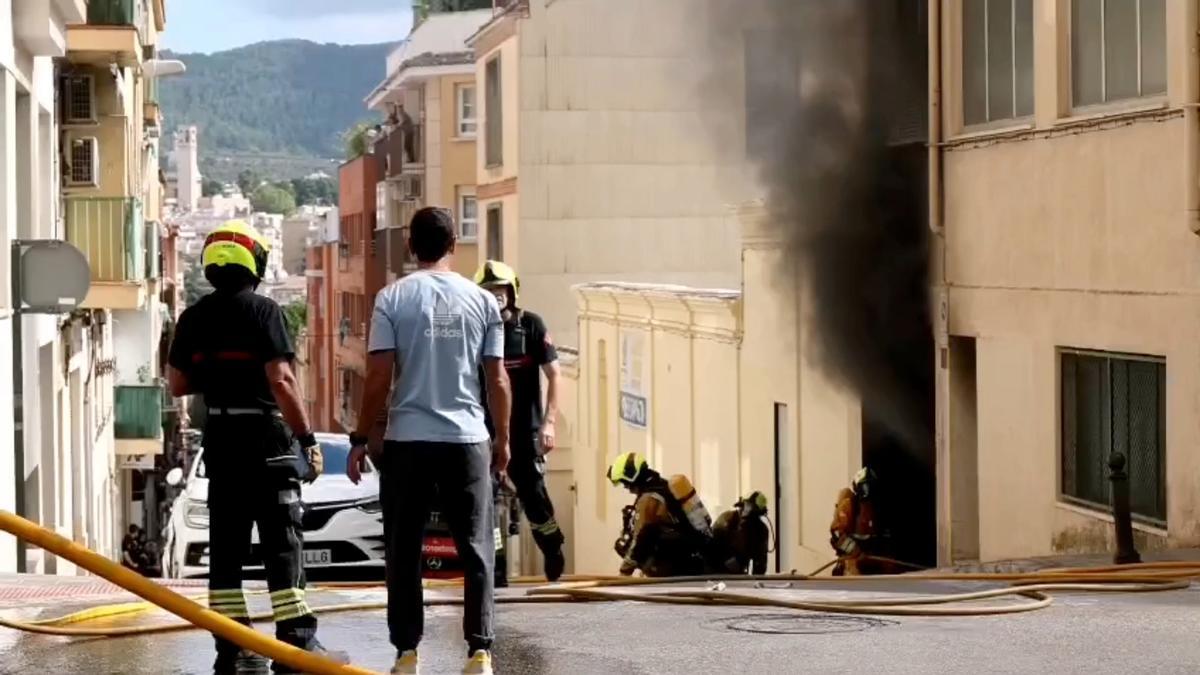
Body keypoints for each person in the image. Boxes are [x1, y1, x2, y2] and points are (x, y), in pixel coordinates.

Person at [167, 219, 347, 674]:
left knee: (225, 549)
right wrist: (307, 439)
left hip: (223, 443)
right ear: (256, 262)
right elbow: (281, 380)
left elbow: (177, 382)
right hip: (268, 442)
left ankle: (234, 647)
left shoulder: (193, 317)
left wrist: (218, 370)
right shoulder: (265, 312)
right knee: (281, 545)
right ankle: (296, 648)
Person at [345, 206, 511, 675]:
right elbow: (497, 380)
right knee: (476, 545)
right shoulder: (484, 302)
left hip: (408, 441)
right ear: (454, 245)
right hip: (468, 439)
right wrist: (502, 440)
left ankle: (407, 652)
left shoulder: (391, 299)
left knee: (403, 547)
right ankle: (479, 651)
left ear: (410, 247)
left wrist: (360, 436)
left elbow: (378, 376)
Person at [473, 260, 566, 582]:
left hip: (524, 432)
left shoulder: (531, 326)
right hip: (483, 432)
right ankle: (494, 569)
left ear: (512, 292)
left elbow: (554, 374)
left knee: (534, 498)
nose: (496, 297)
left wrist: (549, 423)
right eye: (488, 291)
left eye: (500, 290)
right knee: (484, 501)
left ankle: (552, 546)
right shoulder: (475, 330)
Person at [607, 452, 735, 577]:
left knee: (624, 545)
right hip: (693, 554)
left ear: (632, 477)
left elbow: (642, 539)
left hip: (677, 563)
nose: (626, 488)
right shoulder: (662, 487)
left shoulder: (649, 499)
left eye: (625, 482)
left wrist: (624, 572)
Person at [829, 467, 894, 576]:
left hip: (873, 559)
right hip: (852, 559)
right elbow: (836, 534)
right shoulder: (849, 505)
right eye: (864, 487)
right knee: (854, 580)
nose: (867, 491)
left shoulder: (879, 508)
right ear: (857, 487)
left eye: (871, 486)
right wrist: (854, 550)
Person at [713, 491, 772, 575]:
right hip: (716, 571)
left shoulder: (761, 530)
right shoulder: (727, 519)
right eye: (747, 506)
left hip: (738, 574)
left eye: (751, 508)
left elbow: (760, 566)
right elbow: (711, 545)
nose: (746, 511)